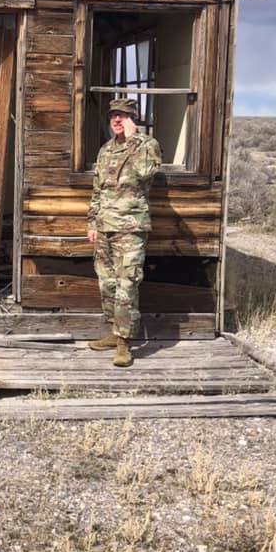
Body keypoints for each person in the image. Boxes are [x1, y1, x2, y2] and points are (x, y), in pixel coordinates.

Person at [86, 98, 162, 367]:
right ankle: (112, 331)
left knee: (126, 285)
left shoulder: (146, 145)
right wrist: (92, 222)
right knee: (106, 284)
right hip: (105, 227)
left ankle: (124, 344)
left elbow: (144, 173)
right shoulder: (106, 149)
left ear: (133, 119)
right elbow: (98, 190)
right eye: (113, 116)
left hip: (130, 229)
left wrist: (132, 140)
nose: (117, 120)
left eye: (123, 116)